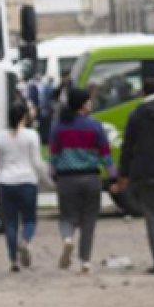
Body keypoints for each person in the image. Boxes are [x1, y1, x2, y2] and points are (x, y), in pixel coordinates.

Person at [49, 88, 113, 273]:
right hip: (91, 177)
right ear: (83, 104)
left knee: (67, 216)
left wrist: (53, 175)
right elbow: (106, 155)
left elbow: (53, 155)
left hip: (67, 178)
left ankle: (68, 238)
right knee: (89, 220)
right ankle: (85, 260)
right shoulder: (95, 126)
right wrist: (113, 176)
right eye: (89, 101)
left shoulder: (59, 126)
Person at [113, 77, 154, 275]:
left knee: (152, 217)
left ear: (143, 93)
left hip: (146, 174)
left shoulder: (136, 115)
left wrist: (123, 175)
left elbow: (128, 147)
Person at [0, 104, 52, 272]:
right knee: (29, 220)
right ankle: (25, 241)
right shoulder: (31, 135)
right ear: (24, 117)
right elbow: (37, 162)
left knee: (10, 223)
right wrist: (46, 180)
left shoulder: (1, 136)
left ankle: (13, 260)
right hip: (27, 180)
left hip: (6, 181)